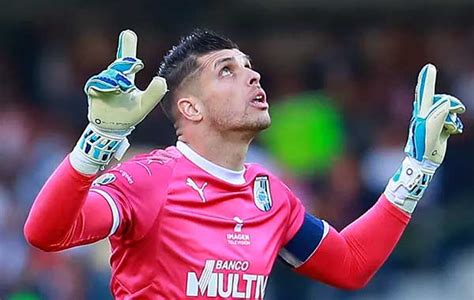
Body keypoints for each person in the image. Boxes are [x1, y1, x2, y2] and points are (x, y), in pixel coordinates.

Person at [24, 29, 465, 299]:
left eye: (249, 66)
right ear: (191, 108)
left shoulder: (271, 195)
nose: (253, 76)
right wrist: (99, 140)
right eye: (227, 71)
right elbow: (45, 233)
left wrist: (416, 170)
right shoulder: (149, 178)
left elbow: (350, 265)